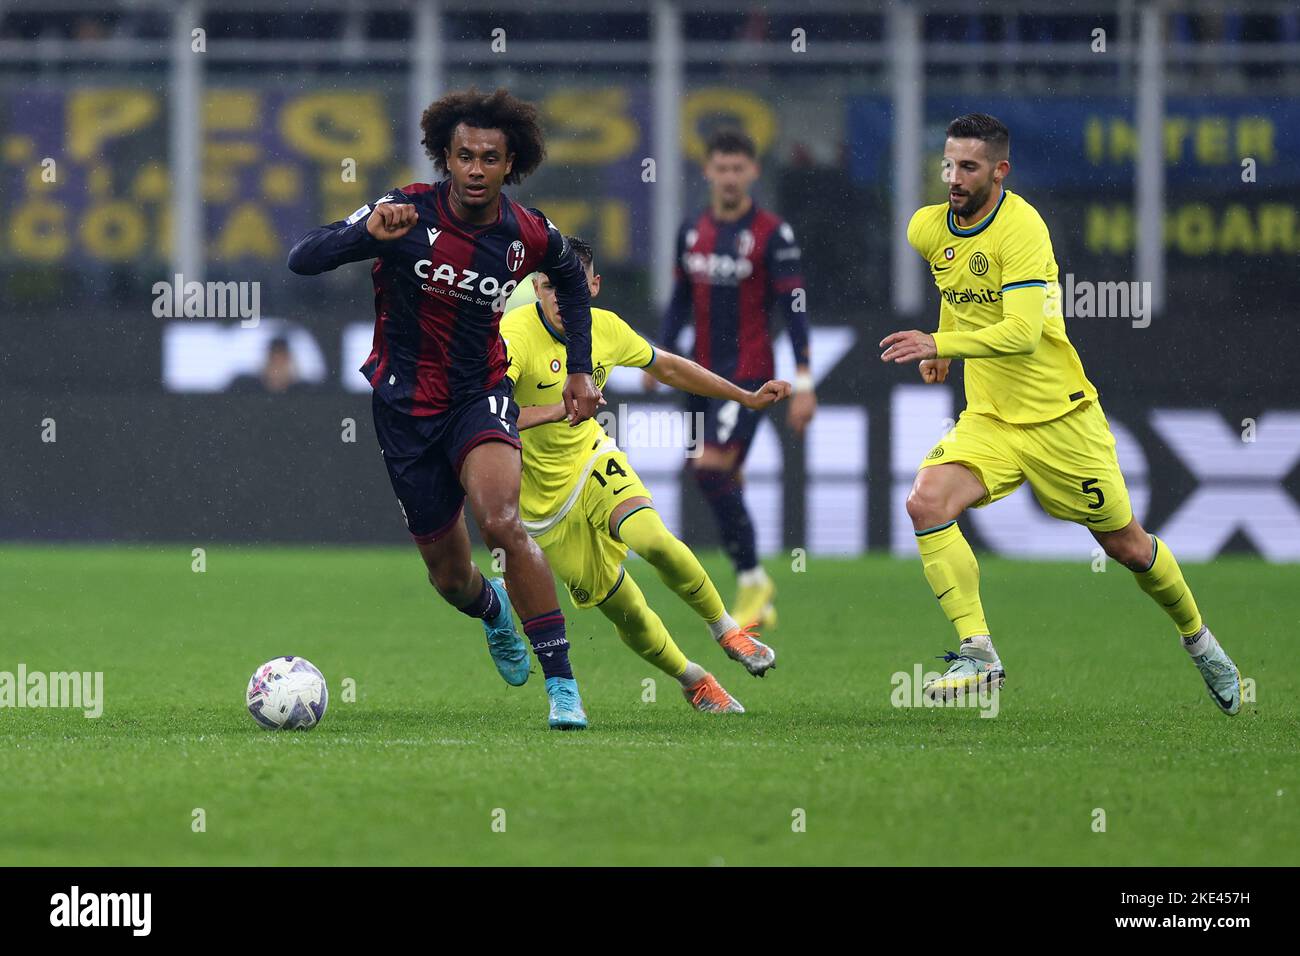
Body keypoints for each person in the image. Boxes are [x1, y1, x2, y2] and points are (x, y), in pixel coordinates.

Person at [880, 112, 1242, 715]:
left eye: (969, 166)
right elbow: (956, 282)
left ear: (1000, 171)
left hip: (1060, 419)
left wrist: (939, 344)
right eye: (948, 164)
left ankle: (1200, 641)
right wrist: (947, 334)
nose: (954, 178)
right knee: (926, 501)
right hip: (991, 419)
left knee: (1127, 547)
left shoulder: (1024, 230)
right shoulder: (926, 228)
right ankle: (978, 651)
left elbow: (1022, 333)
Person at [287, 88, 602, 730]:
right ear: (446, 159)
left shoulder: (526, 232)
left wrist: (577, 368)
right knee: (450, 576)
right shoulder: (403, 213)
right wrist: (361, 233)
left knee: (503, 521)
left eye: (491, 157)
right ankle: (493, 614)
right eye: (465, 156)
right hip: (403, 407)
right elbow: (303, 259)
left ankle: (563, 688)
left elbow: (569, 277)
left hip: (478, 394)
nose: (477, 168)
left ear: (511, 164)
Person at [502, 237, 786, 714]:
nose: (559, 299)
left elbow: (670, 367)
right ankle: (692, 678)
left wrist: (745, 397)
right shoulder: (514, 334)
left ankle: (727, 629)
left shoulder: (606, 330)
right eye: (550, 287)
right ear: (535, 286)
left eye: (570, 287)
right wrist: (560, 407)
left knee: (652, 539)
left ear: (592, 287)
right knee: (624, 607)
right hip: (541, 506)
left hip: (591, 459)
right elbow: (492, 415)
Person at [649, 127, 815, 631]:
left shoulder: (771, 233)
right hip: (697, 375)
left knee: (709, 468)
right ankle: (755, 594)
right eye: (720, 168)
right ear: (708, 171)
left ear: (752, 172)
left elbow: (794, 306)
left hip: (747, 376)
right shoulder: (691, 230)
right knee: (723, 476)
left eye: (738, 168)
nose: (728, 177)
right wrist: (657, 354)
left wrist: (804, 379)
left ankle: (751, 580)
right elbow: (680, 298)